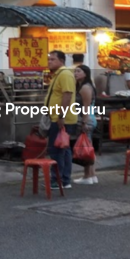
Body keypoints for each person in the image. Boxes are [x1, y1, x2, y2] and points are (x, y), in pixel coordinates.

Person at [45, 50, 78, 189]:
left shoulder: (65, 74)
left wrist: (61, 116)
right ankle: (64, 180)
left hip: (62, 120)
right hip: (57, 118)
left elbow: (67, 95)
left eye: (53, 59)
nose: (49, 62)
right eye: (49, 59)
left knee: (57, 150)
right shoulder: (58, 75)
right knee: (63, 149)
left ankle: (58, 180)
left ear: (61, 60)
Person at [73, 65, 98, 185]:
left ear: (85, 73)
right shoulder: (85, 86)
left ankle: (87, 176)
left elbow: (86, 107)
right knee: (89, 146)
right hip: (89, 119)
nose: (75, 73)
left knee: (85, 148)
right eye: (75, 71)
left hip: (87, 119)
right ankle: (92, 175)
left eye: (78, 71)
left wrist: (84, 122)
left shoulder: (85, 88)